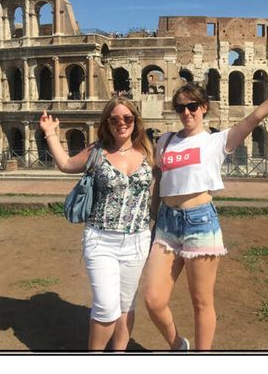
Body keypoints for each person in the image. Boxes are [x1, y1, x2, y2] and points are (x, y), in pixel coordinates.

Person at [143, 77, 268, 351]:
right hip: (166, 224)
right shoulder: (165, 140)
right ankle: (179, 345)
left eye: (192, 106)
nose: (186, 113)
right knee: (153, 300)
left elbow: (256, 116)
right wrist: (153, 215)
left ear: (204, 107)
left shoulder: (216, 141)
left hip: (199, 223)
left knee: (201, 301)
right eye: (180, 108)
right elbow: (159, 175)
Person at [41, 97, 156, 351]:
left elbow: (158, 194)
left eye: (127, 118)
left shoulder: (149, 151)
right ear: (107, 122)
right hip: (100, 238)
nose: (121, 123)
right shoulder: (97, 151)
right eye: (114, 119)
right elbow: (66, 164)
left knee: (126, 306)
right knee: (106, 307)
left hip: (137, 240)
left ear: (135, 121)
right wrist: (51, 134)